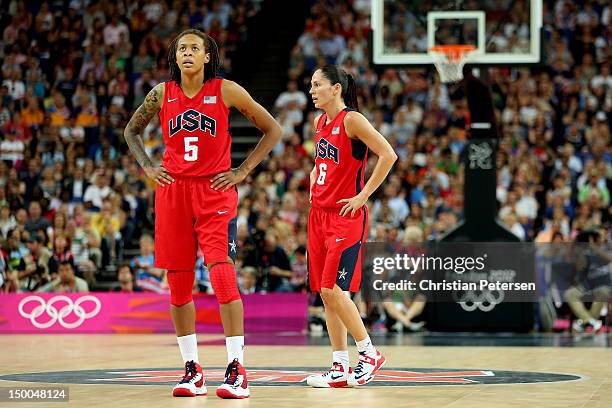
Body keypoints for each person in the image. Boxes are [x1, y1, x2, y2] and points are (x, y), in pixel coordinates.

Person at [123, 28, 281, 399]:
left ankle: (236, 367)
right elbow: (132, 132)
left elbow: (272, 130)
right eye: (182, 48)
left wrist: (242, 171)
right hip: (172, 192)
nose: (188, 53)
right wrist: (147, 166)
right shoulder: (162, 94)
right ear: (175, 57)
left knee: (222, 276)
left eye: (195, 48)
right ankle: (192, 370)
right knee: (178, 286)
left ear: (208, 56)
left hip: (214, 192)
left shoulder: (226, 90)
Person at [306, 66, 397, 388]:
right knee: (326, 294)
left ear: (336, 89)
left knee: (334, 289)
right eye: (311, 85)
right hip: (318, 215)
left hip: (345, 215)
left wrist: (363, 195)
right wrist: (315, 180)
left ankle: (369, 353)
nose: (312, 90)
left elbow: (388, 154)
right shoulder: (320, 123)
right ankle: (339, 366)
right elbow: (324, 162)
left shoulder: (352, 120)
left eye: (318, 85)